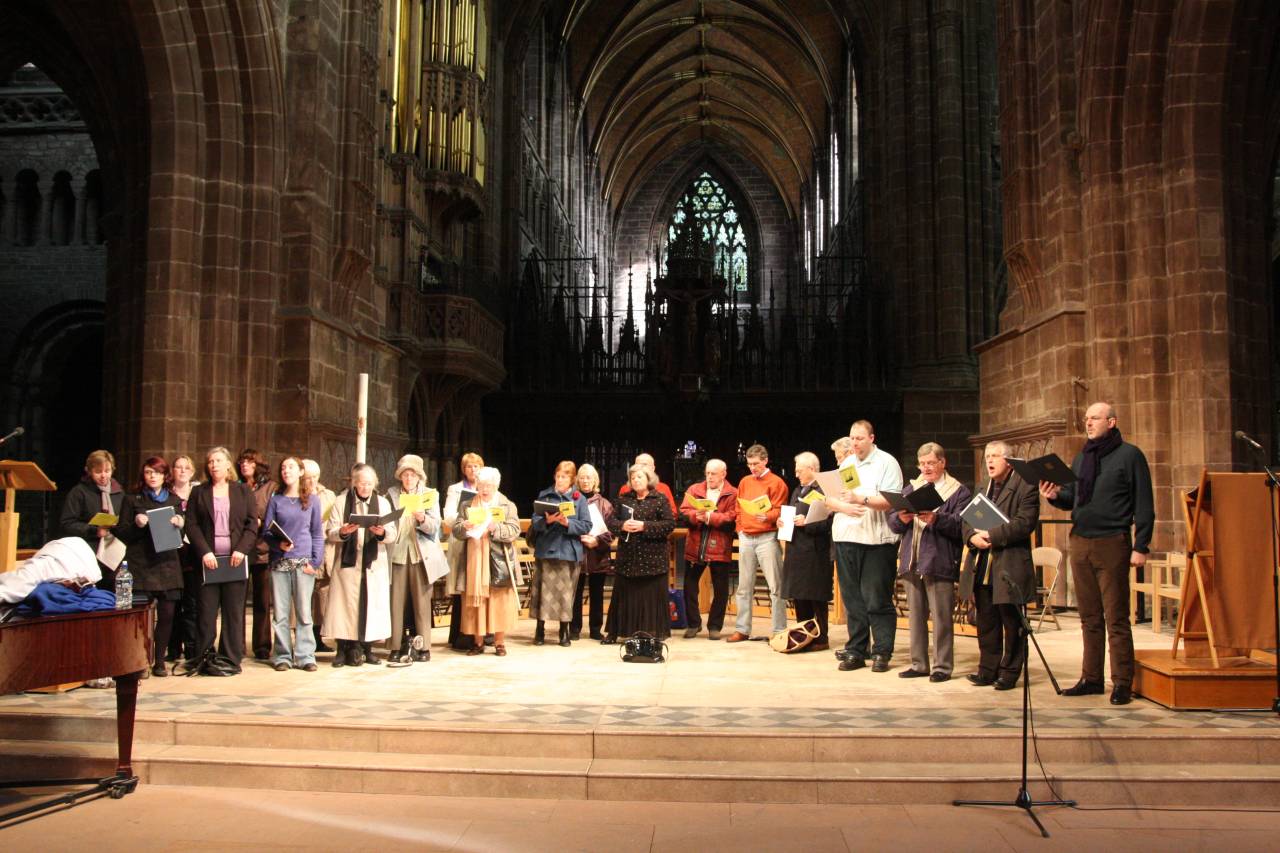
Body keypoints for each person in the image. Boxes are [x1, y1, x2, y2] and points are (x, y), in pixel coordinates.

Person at [1040, 402, 1154, 706]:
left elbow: (1144, 502)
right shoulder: (1082, 459)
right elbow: (1074, 499)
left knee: (1116, 616)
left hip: (1112, 542)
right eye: (1086, 419)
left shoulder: (1130, 455)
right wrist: (1055, 496)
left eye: (1095, 418)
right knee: (1089, 617)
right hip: (1081, 541)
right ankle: (1091, 678)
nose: (1088, 423)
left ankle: (1121, 682)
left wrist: (1141, 546)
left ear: (1112, 421)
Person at [886, 442, 971, 682]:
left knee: (942, 616)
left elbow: (962, 525)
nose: (926, 468)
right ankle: (919, 663)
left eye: (931, 463)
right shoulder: (912, 488)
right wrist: (901, 518)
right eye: (922, 464)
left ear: (943, 463)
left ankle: (942, 666)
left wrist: (937, 518)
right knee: (916, 616)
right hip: (912, 560)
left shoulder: (958, 491)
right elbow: (892, 522)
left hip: (939, 560)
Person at [959, 441, 1039, 690]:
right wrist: (972, 536)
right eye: (987, 457)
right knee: (986, 620)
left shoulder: (1025, 484)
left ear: (1009, 460)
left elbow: (1025, 523)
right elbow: (967, 519)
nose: (990, 461)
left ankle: (1010, 670)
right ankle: (987, 669)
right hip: (983, 562)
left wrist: (992, 535)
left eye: (995, 456)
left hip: (1009, 562)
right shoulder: (983, 486)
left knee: (1011, 621)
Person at [825, 420, 903, 672]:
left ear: (871, 438)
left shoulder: (886, 463)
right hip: (846, 537)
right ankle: (856, 650)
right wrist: (844, 506)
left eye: (859, 438)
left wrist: (862, 499)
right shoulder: (847, 464)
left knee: (876, 598)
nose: (855, 443)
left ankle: (881, 651)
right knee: (853, 599)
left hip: (876, 541)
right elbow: (833, 499)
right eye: (852, 438)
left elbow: (892, 500)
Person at [185, 446, 258, 674]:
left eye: (218, 461)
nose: (213, 465)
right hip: (209, 561)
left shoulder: (243, 491)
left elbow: (251, 524)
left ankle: (230, 658)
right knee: (206, 612)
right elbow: (192, 525)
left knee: (233, 612)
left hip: (234, 561)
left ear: (228, 465)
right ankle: (204, 657)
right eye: (210, 462)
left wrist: (241, 550)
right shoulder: (199, 492)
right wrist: (205, 551)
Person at [113, 456, 185, 678]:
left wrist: (180, 524)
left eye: (156, 472)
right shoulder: (132, 499)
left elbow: (180, 534)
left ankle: (160, 660)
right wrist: (136, 524)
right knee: (140, 616)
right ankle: (140, 659)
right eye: (148, 472)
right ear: (143, 476)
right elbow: (122, 532)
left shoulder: (173, 500)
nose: (152, 476)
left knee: (167, 614)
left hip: (167, 564)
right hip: (141, 563)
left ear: (165, 476)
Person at [325, 463, 395, 667]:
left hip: (373, 563)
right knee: (345, 607)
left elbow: (392, 533)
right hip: (348, 562)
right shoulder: (340, 501)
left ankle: (367, 649)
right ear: (354, 483)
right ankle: (341, 649)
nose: (365, 487)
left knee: (370, 606)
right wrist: (343, 531)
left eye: (369, 483)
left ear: (375, 484)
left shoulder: (382, 503)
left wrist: (381, 532)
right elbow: (330, 532)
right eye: (361, 483)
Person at [261, 456, 324, 672]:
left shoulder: (313, 500)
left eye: (291, 467)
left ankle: (305, 655)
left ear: (300, 472)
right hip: (280, 561)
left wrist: (315, 562)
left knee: (304, 612)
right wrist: (278, 544)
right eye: (283, 467)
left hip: (304, 561)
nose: (286, 470)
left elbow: (317, 533)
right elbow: (266, 532)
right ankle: (282, 655)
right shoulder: (276, 500)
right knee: (280, 612)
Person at [451, 466, 521, 656]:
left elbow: (514, 530)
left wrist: (494, 528)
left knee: (498, 601)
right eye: (482, 485)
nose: (485, 489)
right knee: (476, 601)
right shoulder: (467, 505)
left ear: (496, 486)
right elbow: (456, 530)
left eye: (489, 485)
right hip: (474, 559)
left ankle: (499, 642)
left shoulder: (506, 505)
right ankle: (478, 642)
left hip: (498, 558)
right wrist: (464, 526)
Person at [385, 453, 448, 661]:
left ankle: (423, 647)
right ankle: (396, 646)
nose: (409, 478)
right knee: (397, 602)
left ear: (419, 476)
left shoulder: (430, 494)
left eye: (412, 475)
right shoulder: (391, 494)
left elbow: (435, 528)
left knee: (421, 603)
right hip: (399, 553)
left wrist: (422, 518)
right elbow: (387, 521)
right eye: (405, 474)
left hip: (422, 554)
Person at [605, 463, 677, 642]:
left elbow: (669, 524)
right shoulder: (623, 499)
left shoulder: (659, 499)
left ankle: (651, 633)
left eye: (639, 477)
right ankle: (617, 632)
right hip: (628, 558)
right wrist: (622, 525)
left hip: (653, 558)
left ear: (648, 479)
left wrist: (644, 526)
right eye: (633, 477)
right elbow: (611, 521)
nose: (635, 480)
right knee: (625, 595)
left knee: (649, 597)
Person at [727, 444, 789, 642]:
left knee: (775, 586)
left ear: (765, 461)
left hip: (767, 537)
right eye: (749, 464)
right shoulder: (745, 481)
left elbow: (782, 510)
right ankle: (742, 629)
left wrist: (768, 516)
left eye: (756, 464)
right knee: (744, 586)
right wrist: (740, 528)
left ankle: (779, 630)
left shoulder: (777, 483)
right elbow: (738, 507)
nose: (752, 467)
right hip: (747, 536)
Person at [529, 461, 592, 647]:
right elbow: (535, 522)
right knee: (542, 592)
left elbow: (587, 525)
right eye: (558, 476)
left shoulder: (578, 498)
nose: (560, 479)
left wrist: (568, 524)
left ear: (572, 479)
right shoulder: (545, 496)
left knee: (565, 595)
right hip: (546, 550)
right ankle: (540, 630)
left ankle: (564, 631)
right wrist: (547, 521)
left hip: (567, 552)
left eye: (564, 476)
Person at [779, 452, 834, 651]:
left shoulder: (825, 490)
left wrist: (807, 522)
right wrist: (783, 522)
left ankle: (820, 638)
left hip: (814, 552)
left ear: (812, 469)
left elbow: (829, 522)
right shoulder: (797, 490)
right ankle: (803, 636)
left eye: (799, 470)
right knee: (799, 596)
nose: (796, 474)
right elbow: (793, 514)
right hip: (796, 551)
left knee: (815, 596)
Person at [679, 458, 738, 640]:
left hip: (719, 547)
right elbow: (684, 510)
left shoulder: (732, 493)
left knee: (720, 589)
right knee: (689, 586)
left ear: (723, 474)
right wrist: (696, 516)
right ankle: (694, 624)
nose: (710, 477)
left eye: (713, 473)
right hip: (695, 546)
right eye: (707, 473)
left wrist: (711, 518)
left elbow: (733, 517)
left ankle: (714, 626)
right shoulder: (694, 490)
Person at [60, 449, 125, 590]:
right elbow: (67, 523)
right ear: (88, 471)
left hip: (114, 552)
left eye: (107, 471)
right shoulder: (79, 492)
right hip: (89, 552)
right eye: (98, 471)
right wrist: (94, 530)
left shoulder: (118, 492)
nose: (103, 476)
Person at [237, 448, 277, 661]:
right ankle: (237, 645)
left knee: (262, 601)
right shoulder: (236, 486)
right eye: (242, 462)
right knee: (237, 601)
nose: (245, 465)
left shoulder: (270, 488)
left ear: (258, 465)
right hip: (240, 549)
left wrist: (258, 522)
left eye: (249, 462)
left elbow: (273, 514)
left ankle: (262, 646)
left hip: (262, 549)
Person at [443, 451, 484, 650]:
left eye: (476, 466)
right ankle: (460, 636)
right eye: (469, 466)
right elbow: (448, 516)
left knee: (481, 588)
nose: (472, 470)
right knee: (463, 588)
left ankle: (484, 633)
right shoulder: (455, 489)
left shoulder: (488, 488)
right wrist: (463, 520)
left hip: (482, 544)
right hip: (462, 541)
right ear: (463, 469)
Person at [571, 463, 614, 640]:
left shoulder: (604, 504)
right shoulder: (571, 501)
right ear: (577, 481)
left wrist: (596, 541)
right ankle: (574, 629)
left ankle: (596, 629)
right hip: (577, 553)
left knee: (597, 593)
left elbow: (612, 531)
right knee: (575, 593)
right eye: (582, 477)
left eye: (588, 477)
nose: (585, 481)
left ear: (595, 480)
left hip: (598, 555)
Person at [166, 454, 201, 663]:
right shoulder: (167, 494)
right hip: (172, 553)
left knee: (192, 603)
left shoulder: (198, 493)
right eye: (178, 467)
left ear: (192, 471)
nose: (182, 471)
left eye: (186, 467)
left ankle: (191, 647)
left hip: (193, 554)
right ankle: (173, 647)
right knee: (173, 603)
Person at [301, 459, 337, 653]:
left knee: (322, 596)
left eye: (315, 477)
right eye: (308, 477)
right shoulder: (297, 495)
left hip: (324, 548)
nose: (312, 481)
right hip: (304, 549)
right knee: (303, 596)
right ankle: (302, 638)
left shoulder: (328, 494)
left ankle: (319, 636)